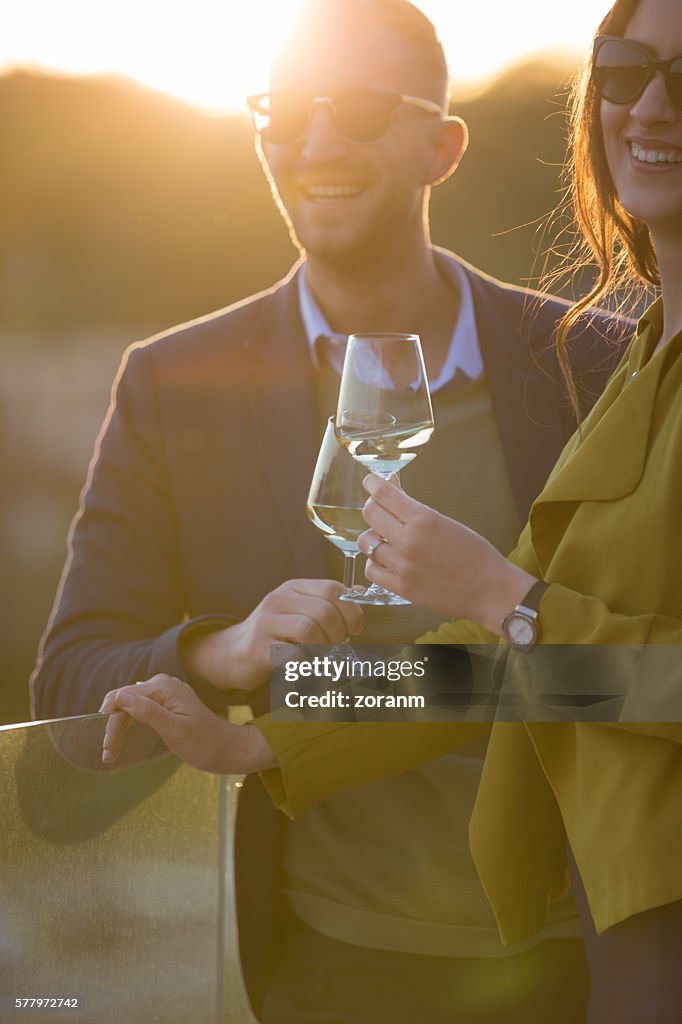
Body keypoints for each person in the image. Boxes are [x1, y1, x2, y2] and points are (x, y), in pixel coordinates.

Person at [34, 1, 625, 1021]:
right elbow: (70, 684)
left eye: (354, 109)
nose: (312, 143)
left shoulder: (590, 364)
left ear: (441, 147)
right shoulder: (171, 384)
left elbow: (626, 671)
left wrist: (469, 615)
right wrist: (226, 654)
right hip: (322, 967)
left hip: (575, 956)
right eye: (283, 110)